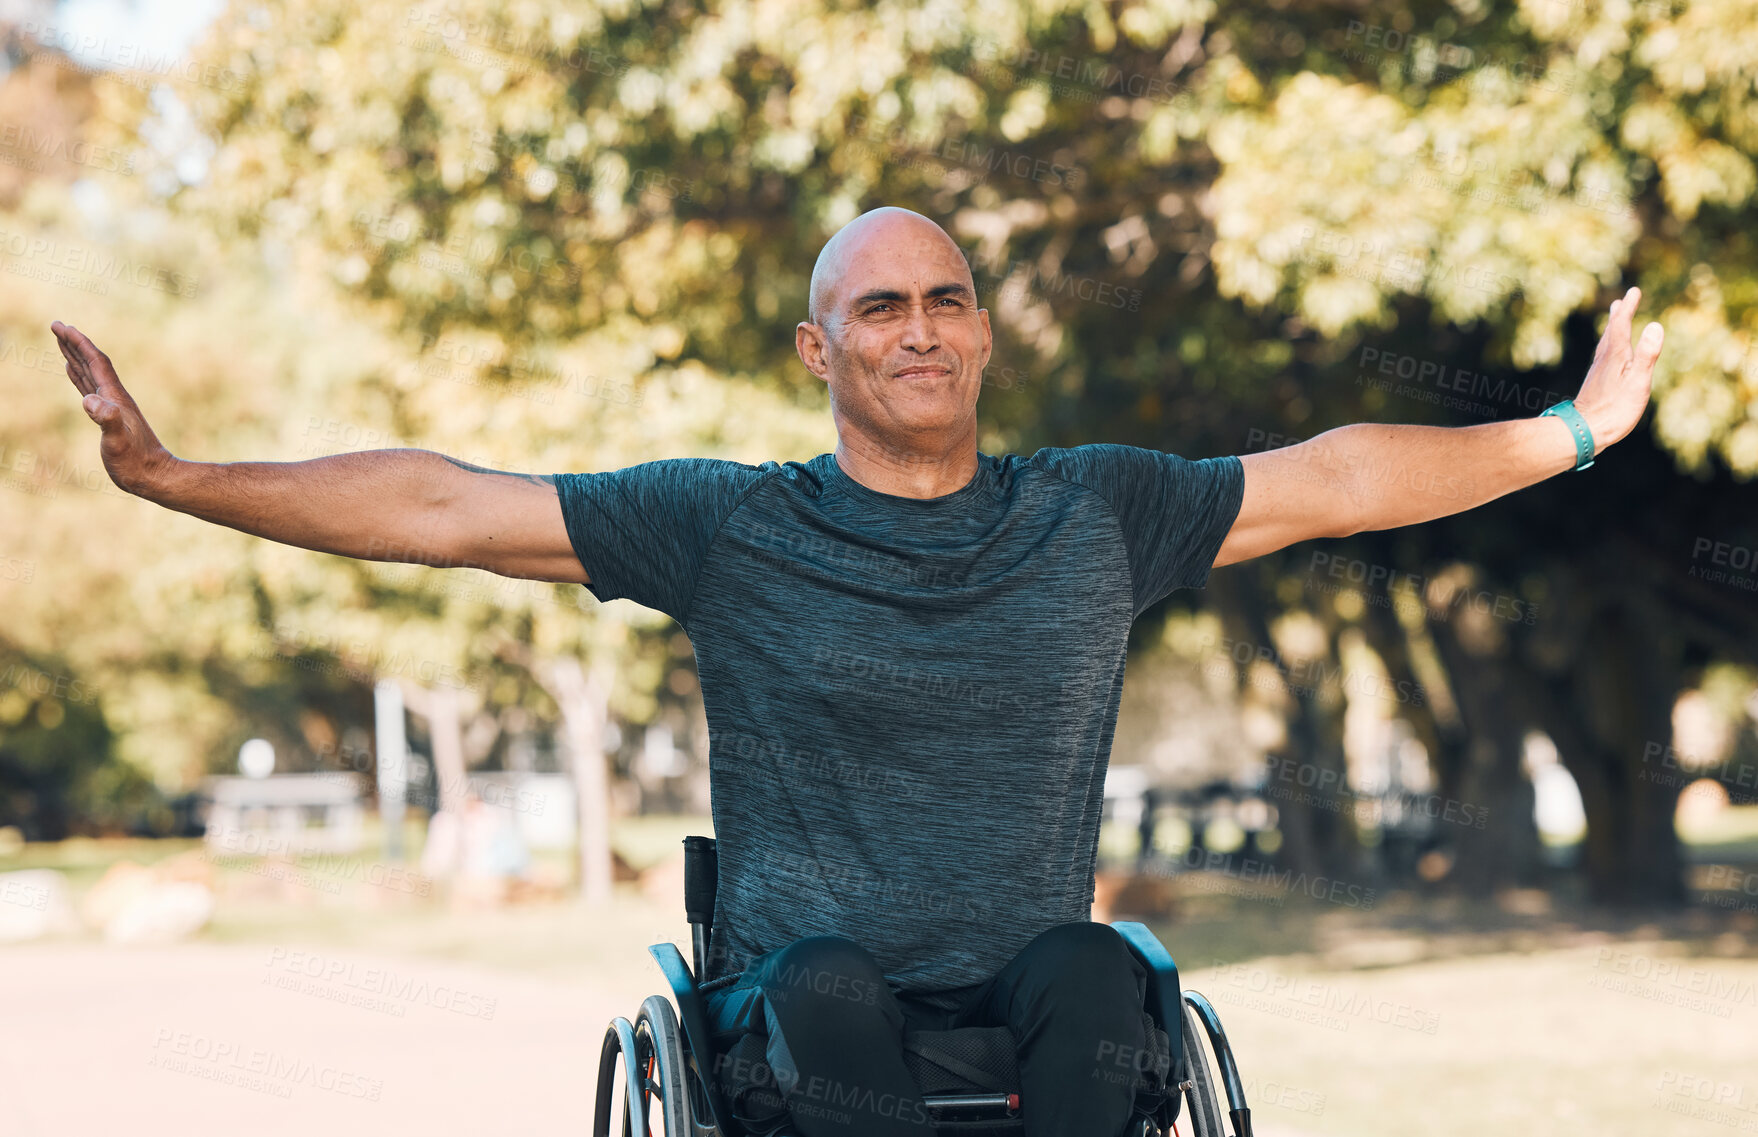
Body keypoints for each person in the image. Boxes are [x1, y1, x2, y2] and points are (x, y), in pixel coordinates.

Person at [50, 206, 1665, 1137]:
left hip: (1026, 1003)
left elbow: (1336, 477)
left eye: (945, 299)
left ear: (980, 337)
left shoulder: (1099, 511)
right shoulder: (725, 527)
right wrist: (184, 475)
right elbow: (445, 505)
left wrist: (1569, 430)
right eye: (877, 305)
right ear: (820, 351)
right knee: (826, 987)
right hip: (795, 1018)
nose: (918, 327)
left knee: (1107, 976)